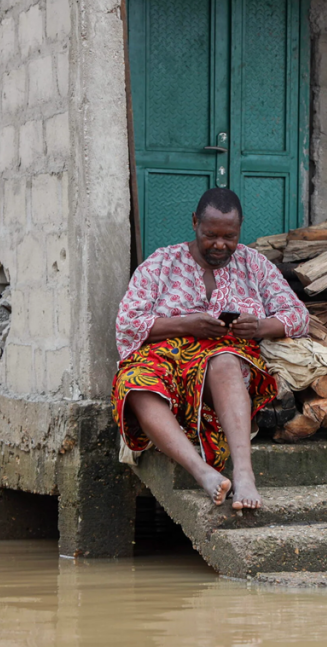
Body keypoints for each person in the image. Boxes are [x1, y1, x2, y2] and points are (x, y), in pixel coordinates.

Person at [111, 188, 309, 510]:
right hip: (165, 360)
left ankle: (244, 473)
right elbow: (127, 323)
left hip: (224, 369)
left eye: (229, 236)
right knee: (135, 384)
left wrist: (259, 327)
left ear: (240, 228)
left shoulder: (254, 265)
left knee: (224, 358)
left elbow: (298, 317)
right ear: (194, 223)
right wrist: (186, 324)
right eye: (210, 235)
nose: (220, 244)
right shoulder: (162, 263)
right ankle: (203, 473)